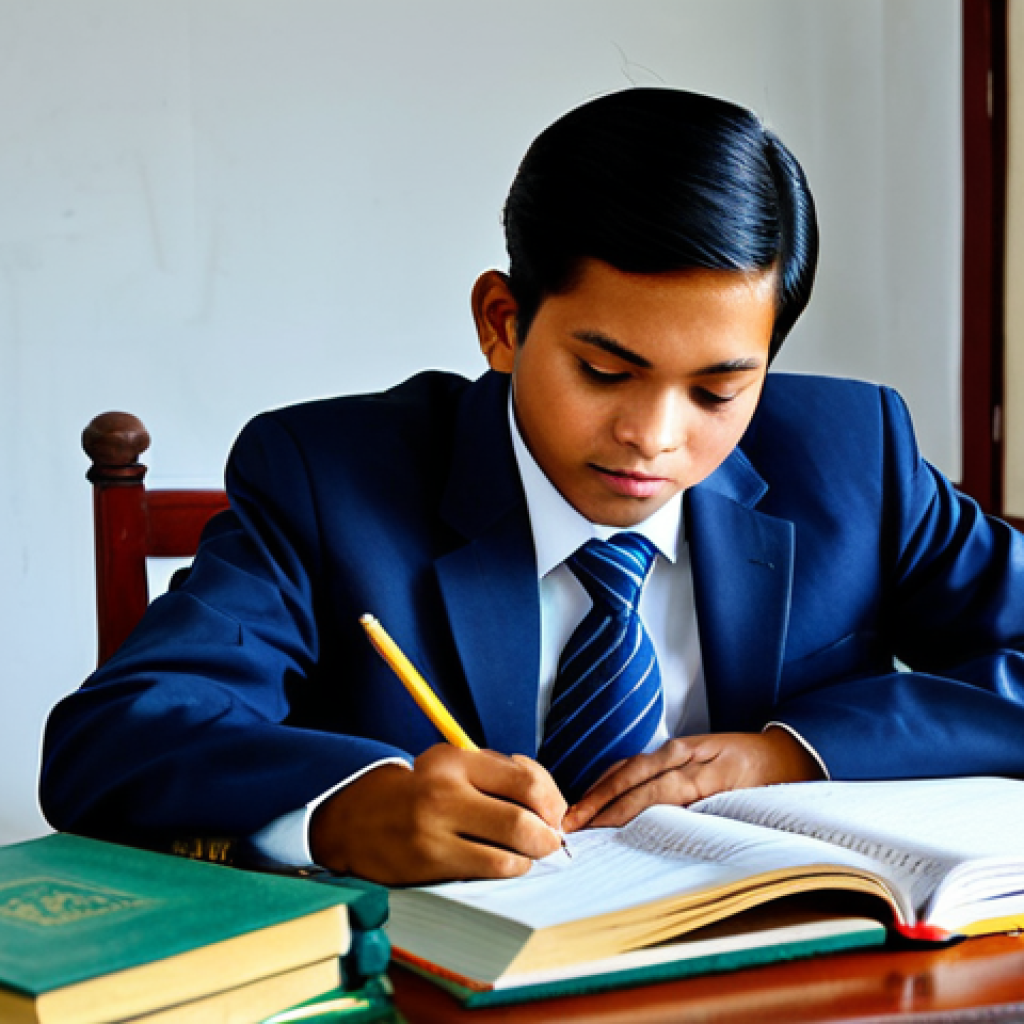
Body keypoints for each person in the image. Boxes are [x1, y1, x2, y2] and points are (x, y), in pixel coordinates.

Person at [40, 88, 1024, 886]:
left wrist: (795, 749)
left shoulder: (852, 456)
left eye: (719, 389)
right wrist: (347, 806)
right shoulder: (327, 477)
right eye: (604, 372)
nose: (653, 436)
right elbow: (110, 740)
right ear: (503, 323)